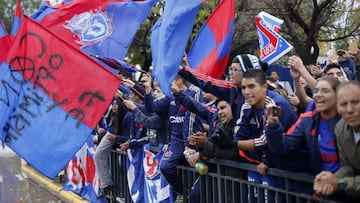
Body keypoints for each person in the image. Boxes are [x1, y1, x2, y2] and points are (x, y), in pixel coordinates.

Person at [314, 81, 360, 201]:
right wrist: (330, 179)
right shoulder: (340, 128)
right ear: (337, 107)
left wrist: (340, 183)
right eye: (344, 104)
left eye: (355, 102)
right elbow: (347, 166)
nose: (349, 109)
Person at [95, 97, 132, 198]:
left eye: (116, 104)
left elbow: (130, 137)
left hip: (127, 148)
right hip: (116, 143)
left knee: (126, 175)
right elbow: (111, 131)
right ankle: (106, 185)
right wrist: (100, 137)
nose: (114, 106)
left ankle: (124, 195)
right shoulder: (114, 115)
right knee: (98, 155)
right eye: (113, 104)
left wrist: (116, 138)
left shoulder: (128, 116)